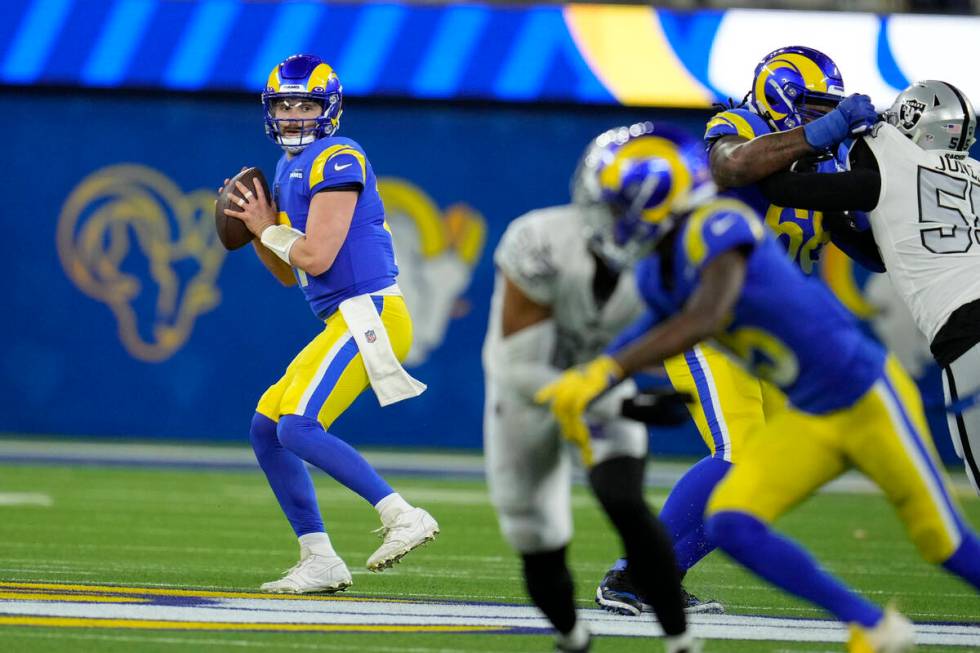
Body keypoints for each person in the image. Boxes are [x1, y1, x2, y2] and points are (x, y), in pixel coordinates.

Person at [535, 124, 980, 653]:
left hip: (867, 396)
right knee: (731, 524)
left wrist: (608, 371)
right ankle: (871, 626)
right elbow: (652, 325)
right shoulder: (658, 270)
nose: (607, 217)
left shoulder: (720, 222)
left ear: (654, 196)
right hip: (813, 414)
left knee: (941, 541)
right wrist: (595, 372)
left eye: (615, 203)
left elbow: (708, 312)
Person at [595, 45, 880, 615]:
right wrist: (827, 131)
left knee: (782, 462)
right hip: (709, 314)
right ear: (780, 97)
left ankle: (656, 576)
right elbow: (734, 166)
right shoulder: (738, 127)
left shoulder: (817, 165)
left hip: (765, 332)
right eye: (815, 106)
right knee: (740, 449)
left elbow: (870, 252)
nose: (823, 117)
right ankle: (632, 575)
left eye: (830, 109)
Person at [221, 54, 438, 593]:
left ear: (329, 108)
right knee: (267, 427)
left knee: (297, 424)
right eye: (285, 103)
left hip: (372, 313)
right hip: (344, 317)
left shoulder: (338, 157)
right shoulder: (286, 168)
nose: (293, 114)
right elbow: (283, 268)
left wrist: (268, 227)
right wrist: (256, 230)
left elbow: (315, 257)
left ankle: (402, 514)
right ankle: (319, 557)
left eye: (305, 102)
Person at [483, 122, 700, 653]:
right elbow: (521, 369)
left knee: (624, 500)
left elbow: (670, 336)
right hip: (524, 392)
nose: (633, 226)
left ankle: (680, 641)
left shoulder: (679, 259)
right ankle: (573, 638)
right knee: (537, 536)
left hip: (602, 380)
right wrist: (628, 398)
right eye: (621, 207)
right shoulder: (539, 239)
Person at [753, 79, 980, 496]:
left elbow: (779, 187)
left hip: (967, 327)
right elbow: (878, 252)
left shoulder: (892, 164)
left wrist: (806, 144)